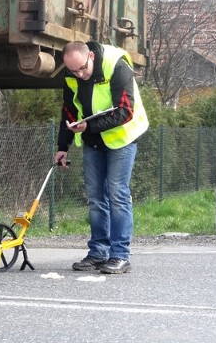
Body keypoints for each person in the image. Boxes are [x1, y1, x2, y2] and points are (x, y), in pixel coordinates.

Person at [54, 41, 149, 274]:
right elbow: (69, 111)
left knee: (117, 194)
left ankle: (120, 255)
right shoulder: (72, 75)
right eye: (73, 71)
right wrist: (62, 146)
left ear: (92, 57)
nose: (79, 74)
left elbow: (126, 110)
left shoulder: (117, 66)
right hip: (93, 140)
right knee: (96, 197)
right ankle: (98, 252)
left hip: (122, 138)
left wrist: (89, 126)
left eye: (82, 69)